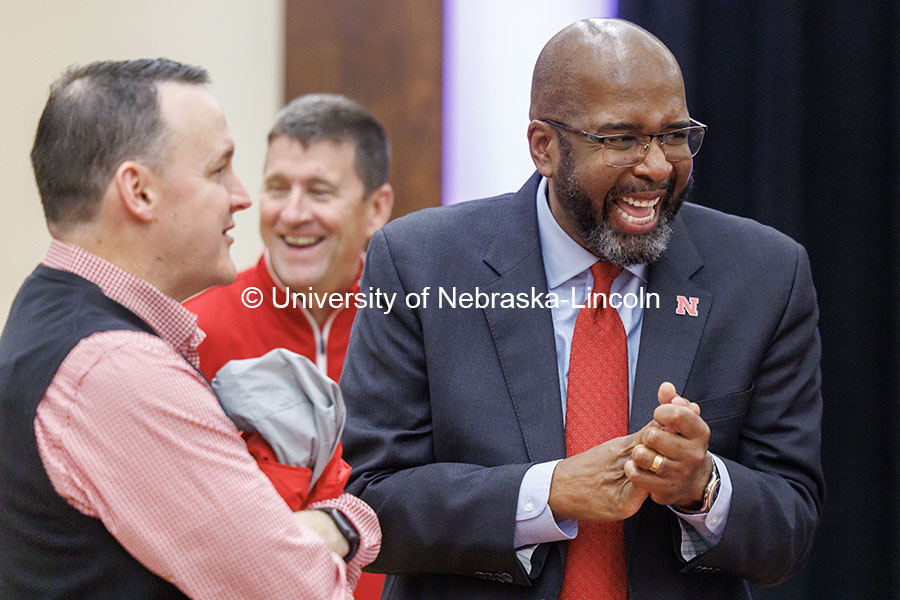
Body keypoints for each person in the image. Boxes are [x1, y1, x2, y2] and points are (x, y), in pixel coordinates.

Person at [340, 18, 824, 600]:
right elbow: (370, 504)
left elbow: (790, 527)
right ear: (544, 146)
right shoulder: (420, 263)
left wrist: (703, 486)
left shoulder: (765, 275)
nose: (657, 167)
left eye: (674, 135)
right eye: (621, 139)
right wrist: (549, 493)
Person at [0, 59, 380, 600]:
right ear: (139, 191)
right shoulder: (117, 371)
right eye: (219, 169)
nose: (242, 196)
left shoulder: (52, 314)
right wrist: (347, 520)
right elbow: (298, 591)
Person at [184, 93, 393, 600]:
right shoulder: (194, 329)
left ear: (376, 208)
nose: (293, 213)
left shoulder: (410, 326)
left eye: (320, 192)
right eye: (278, 188)